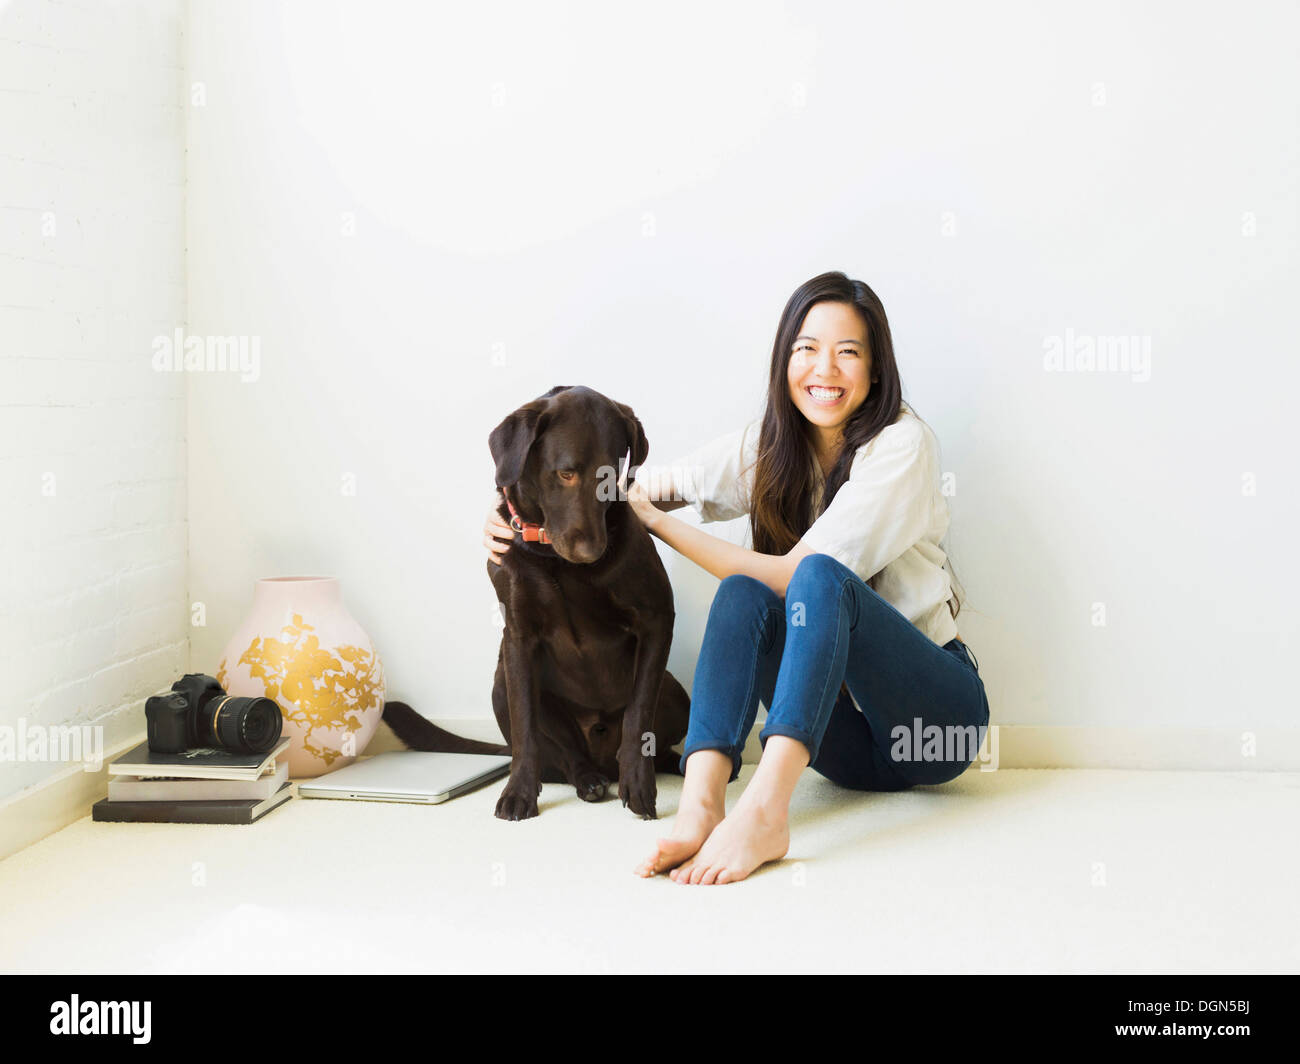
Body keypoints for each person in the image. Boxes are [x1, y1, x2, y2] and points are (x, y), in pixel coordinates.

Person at [484, 271, 989, 885]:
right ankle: (701, 807)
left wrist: (656, 524)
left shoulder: (903, 445)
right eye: (807, 348)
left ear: (877, 368)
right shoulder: (771, 446)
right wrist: (519, 517)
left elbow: (794, 575)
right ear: (784, 361)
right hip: (843, 746)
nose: (824, 369)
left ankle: (765, 814)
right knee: (742, 592)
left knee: (815, 579)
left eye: (848, 352)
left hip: (933, 726)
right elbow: (633, 488)